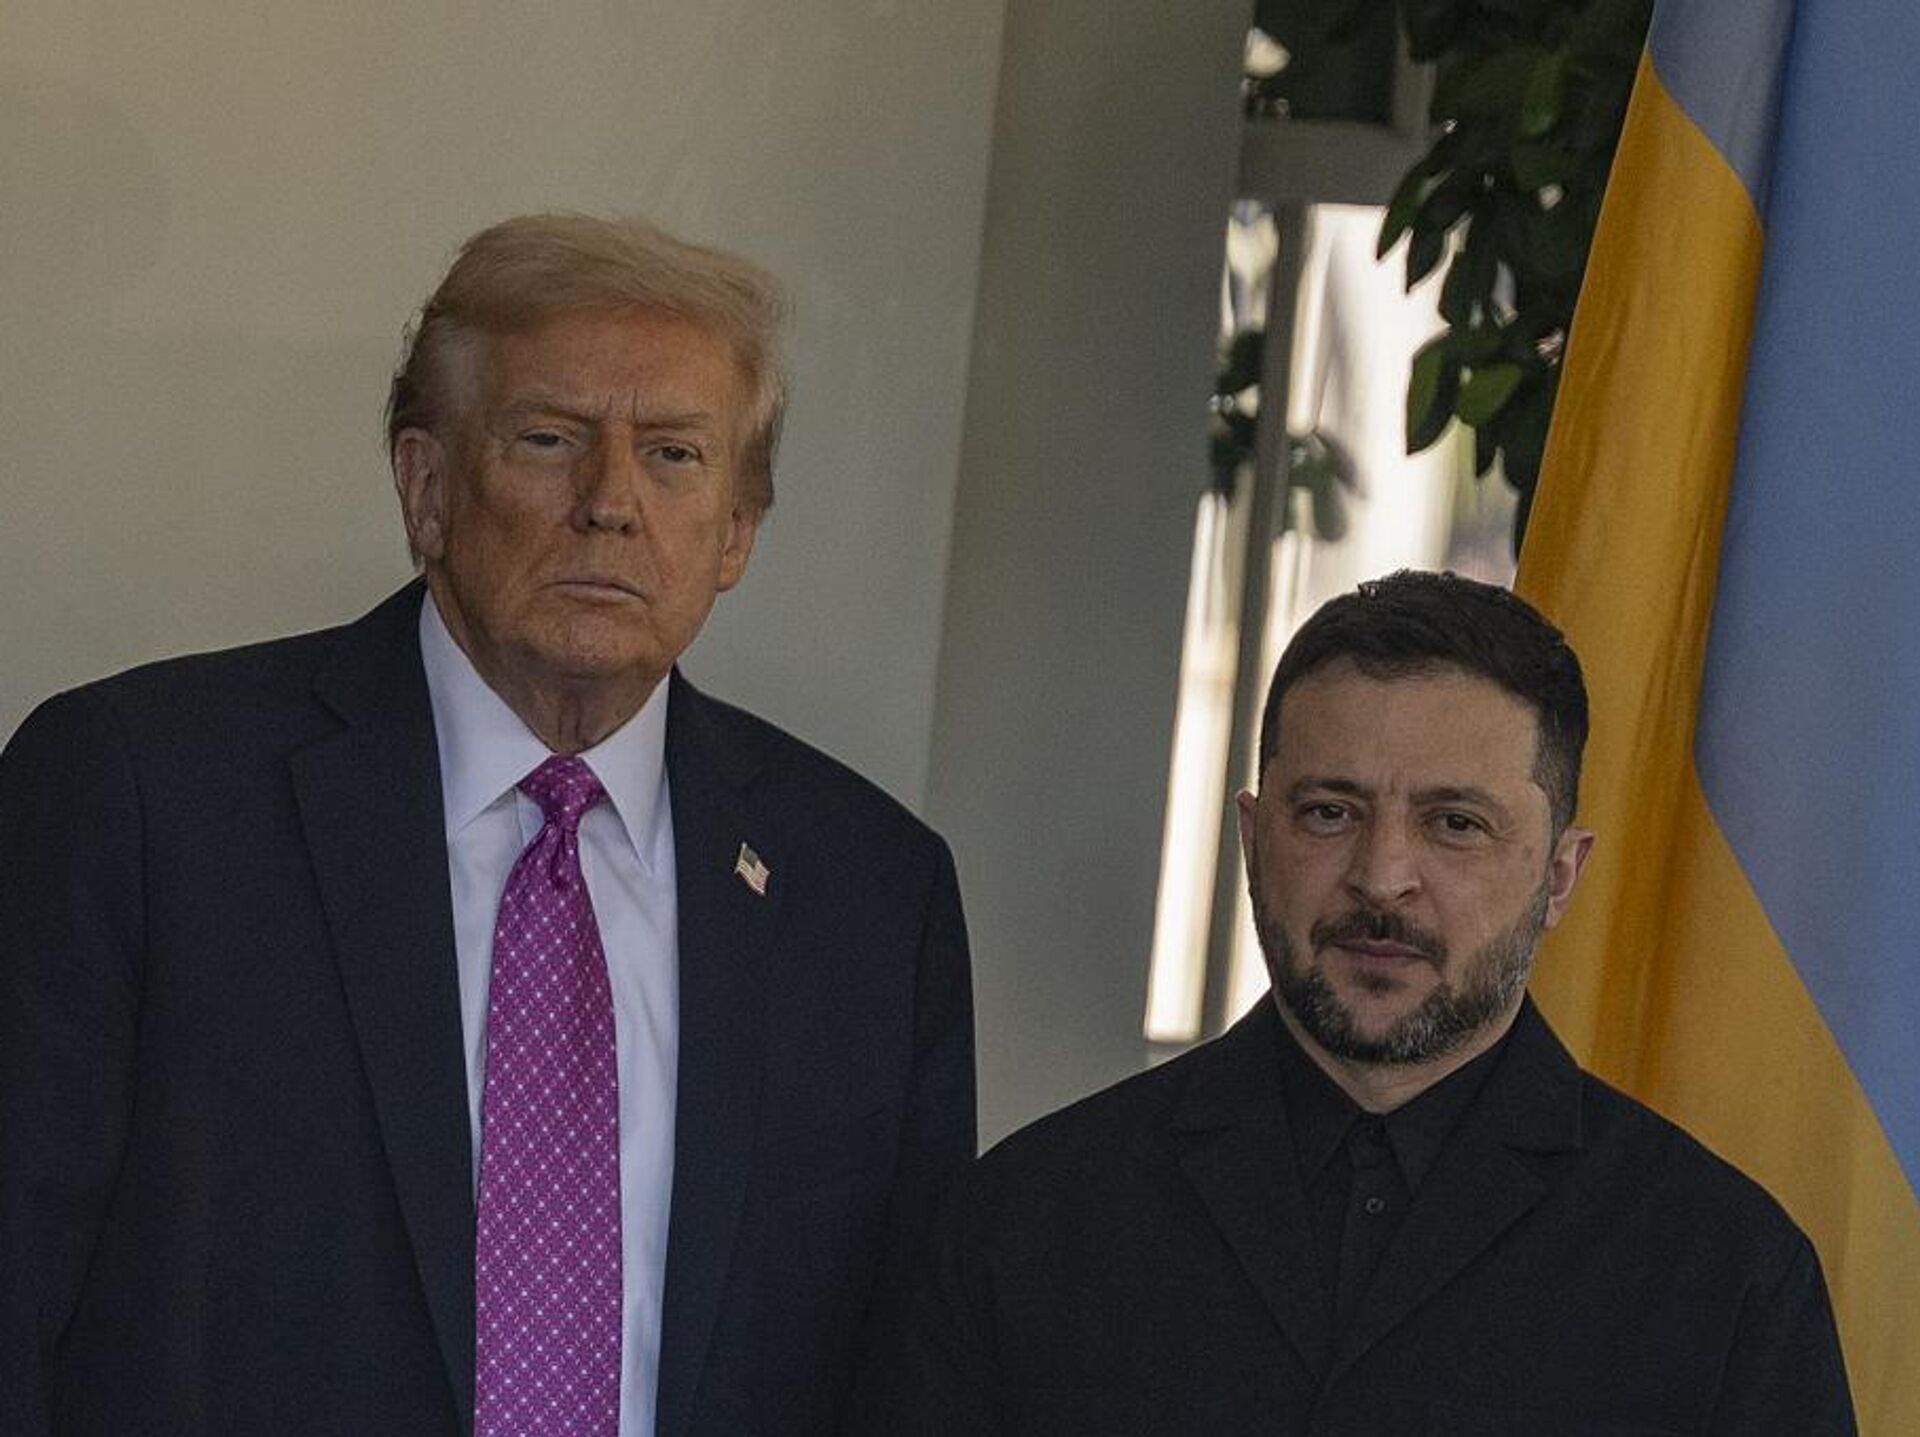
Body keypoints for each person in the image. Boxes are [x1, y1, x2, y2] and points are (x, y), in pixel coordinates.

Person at [0, 213, 975, 1437]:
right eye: (549, 438)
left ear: (736, 531)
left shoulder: (873, 896)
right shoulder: (144, 799)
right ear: (427, 487)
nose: (610, 503)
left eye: (674, 455)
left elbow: (909, 1375)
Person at [867, 570, 1854, 1435]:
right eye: (1329, 812)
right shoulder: (1029, 1219)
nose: (1382, 878)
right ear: (1253, 839)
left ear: (1559, 876)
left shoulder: (1725, 1274)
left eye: (1454, 823)